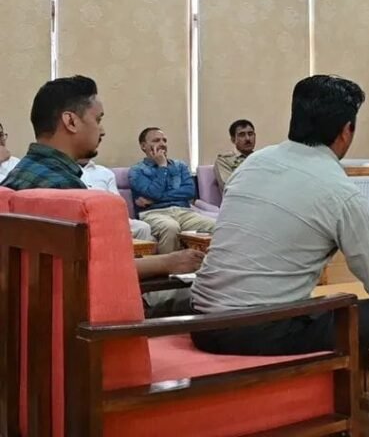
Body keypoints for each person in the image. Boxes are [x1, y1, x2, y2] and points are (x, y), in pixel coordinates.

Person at [191, 75, 369, 437]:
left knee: (325, 303)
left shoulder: (254, 163)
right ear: (346, 131)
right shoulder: (340, 191)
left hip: (201, 322)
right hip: (260, 329)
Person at [1, 76, 204, 317]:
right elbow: (99, 270)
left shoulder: (19, 175)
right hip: (86, 321)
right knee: (200, 297)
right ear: (71, 121)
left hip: (35, 313)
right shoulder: (64, 191)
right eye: (98, 120)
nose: (103, 130)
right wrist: (168, 263)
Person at [129, 128, 215, 254]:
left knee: (216, 226)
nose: (162, 144)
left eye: (164, 140)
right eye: (156, 140)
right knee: (170, 227)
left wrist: (155, 199)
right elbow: (154, 193)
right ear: (143, 146)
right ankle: (167, 266)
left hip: (184, 212)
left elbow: (189, 191)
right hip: (154, 213)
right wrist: (162, 166)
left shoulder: (180, 166)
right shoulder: (137, 170)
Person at [79, 158, 154, 241]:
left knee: (143, 227)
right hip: (84, 220)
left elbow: (117, 200)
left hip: (110, 217)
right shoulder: (68, 173)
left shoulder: (104, 172)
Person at [214, 119, 255, 190]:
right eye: (242, 135)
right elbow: (229, 188)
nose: (248, 138)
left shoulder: (260, 158)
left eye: (250, 134)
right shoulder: (224, 160)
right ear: (233, 140)